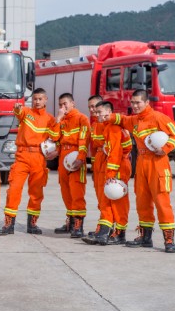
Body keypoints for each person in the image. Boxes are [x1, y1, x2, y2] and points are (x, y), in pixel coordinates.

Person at [109, 89, 175, 253]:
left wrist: (165, 149)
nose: (134, 106)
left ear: (146, 102)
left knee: (162, 202)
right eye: (132, 103)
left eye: (138, 103)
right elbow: (122, 120)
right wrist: (108, 116)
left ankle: (168, 240)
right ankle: (145, 237)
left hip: (158, 162)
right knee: (142, 201)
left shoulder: (158, 117)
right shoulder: (134, 120)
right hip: (141, 162)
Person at [0, 88, 59, 236]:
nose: (37, 102)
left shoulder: (50, 119)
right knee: (13, 190)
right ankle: (8, 224)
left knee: (36, 193)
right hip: (22, 156)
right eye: (35, 99)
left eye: (40, 99)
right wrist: (17, 108)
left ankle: (32, 224)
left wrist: (59, 120)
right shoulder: (26, 113)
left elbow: (55, 137)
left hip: (39, 157)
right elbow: (19, 112)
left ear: (46, 100)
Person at [82, 101, 132, 245]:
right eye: (95, 112)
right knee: (107, 201)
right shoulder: (106, 127)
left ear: (109, 112)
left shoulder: (113, 128)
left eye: (99, 112)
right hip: (111, 165)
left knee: (118, 202)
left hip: (118, 167)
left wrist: (110, 173)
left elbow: (115, 152)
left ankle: (118, 233)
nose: (96, 114)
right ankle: (104, 232)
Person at [52, 93, 91, 238]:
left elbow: (84, 140)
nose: (63, 107)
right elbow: (54, 137)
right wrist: (57, 119)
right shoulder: (61, 120)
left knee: (77, 192)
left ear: (72, 103)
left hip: (75, 157)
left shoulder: (81, 118)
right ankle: (70, 220)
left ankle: (78, 225)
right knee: (66, 192)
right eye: (60, 104)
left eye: (65, 104)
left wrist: (81, 158)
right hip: (63, 158)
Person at [88, 95, 104, 236]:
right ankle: (103, 226)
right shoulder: (94, 125)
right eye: (90, 107)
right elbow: (93, 149)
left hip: (108, 164)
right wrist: (93, 168)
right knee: (100, 198)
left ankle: (110, 229)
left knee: (108, 198)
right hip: (98, 163)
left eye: (95, 106)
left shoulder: (108, 124)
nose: (93, 110)